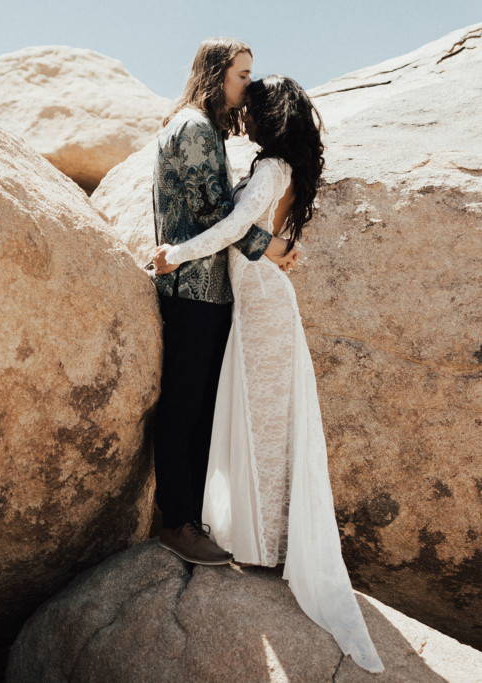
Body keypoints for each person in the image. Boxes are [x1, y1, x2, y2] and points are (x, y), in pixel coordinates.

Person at [151, 75, 385, 674]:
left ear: (269, 117)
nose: (243, 116)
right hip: (261, 302)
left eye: (252, 108)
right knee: (265, 422)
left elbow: (231, 231)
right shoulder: (284, 169)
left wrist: (173, 254)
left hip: (261, 310)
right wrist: (272, 246)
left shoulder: (269, 168)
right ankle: (267, 542)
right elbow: (260, 235)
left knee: (263, 422)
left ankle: (268, 545)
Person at [149, 38, 300, 567]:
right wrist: (272, 248)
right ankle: (176, 523)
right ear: (215, 74)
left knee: (199, 410)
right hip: (193, 289)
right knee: (184, 408)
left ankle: (189, 515)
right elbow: (219, 216)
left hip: (209, 288)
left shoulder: (203, 128)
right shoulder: (192, 128)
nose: (248, 85)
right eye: (241, 75)